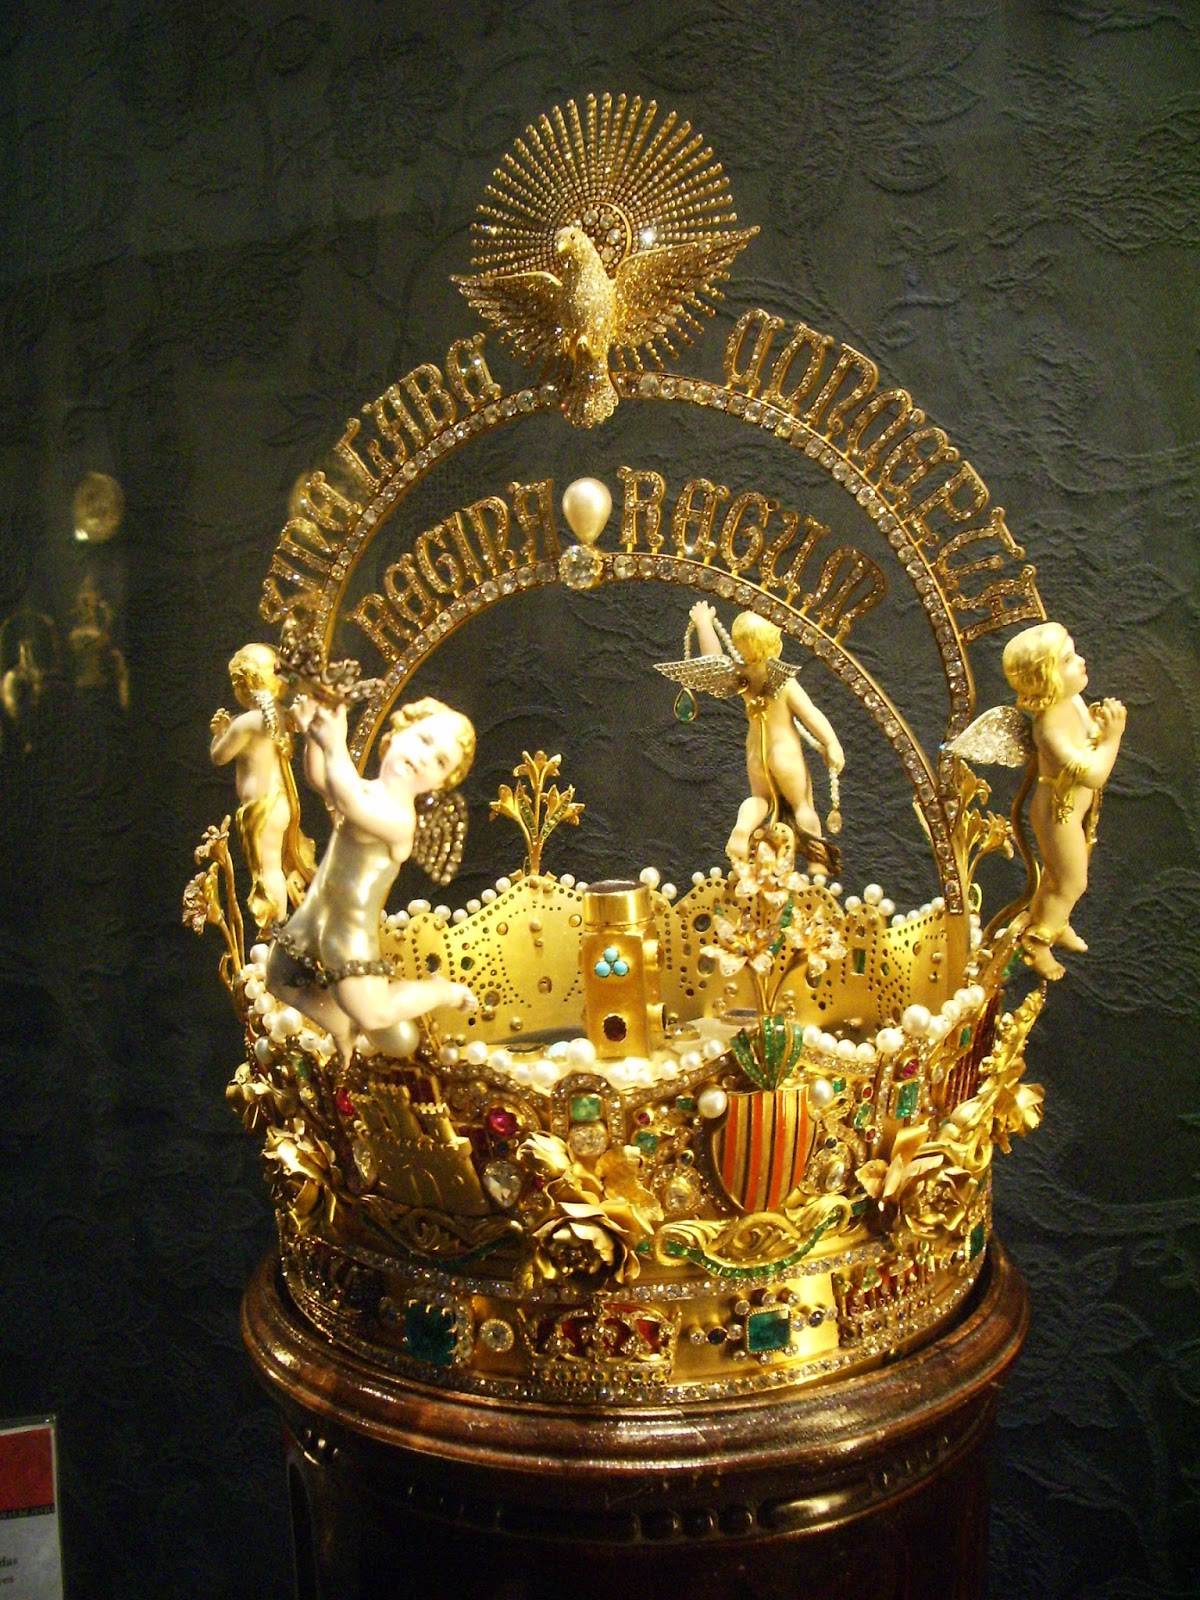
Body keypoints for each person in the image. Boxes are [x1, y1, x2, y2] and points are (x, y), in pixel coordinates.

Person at [265, 694, 477, 1062]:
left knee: (374, 1014)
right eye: (424, 739)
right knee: (278, 979)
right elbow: (321, 777)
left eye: (440, 762)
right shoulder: (361, 786)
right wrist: (314, 732)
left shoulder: (400, 821)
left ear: (440, 784)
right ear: (397, 733)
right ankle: (338, 1023)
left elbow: (348, 801)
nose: (425, 757)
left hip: (349, 934)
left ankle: (442, 990)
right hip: (315, 912)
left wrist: (335, 741)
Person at [1002, 622, 1126, 980]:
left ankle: (1053, 922)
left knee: (1058, 877)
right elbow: (1093, 774)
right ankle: (1037, 942)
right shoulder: (1048, 728)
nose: (1082, 661)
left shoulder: (1071, 700)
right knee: (1072, 882)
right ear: (1045, 679)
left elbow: (1086, 741)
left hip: (1074, 810)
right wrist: (1112, 737)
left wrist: (1098, 728)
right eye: (1069, 660)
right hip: (1059, 815)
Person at [689, 602, 845, 867]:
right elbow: (810, 713)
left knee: (759, 798)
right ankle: (817, 865)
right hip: (785, 752)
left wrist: (704, 624)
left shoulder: (743, 677)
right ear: (774, 641)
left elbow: (714, 664)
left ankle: (742, 829)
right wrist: (831, 743)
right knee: (802, 804)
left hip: (755, 752)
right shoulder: (783, 680)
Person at [210, 643, 315, 929]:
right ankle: (281, 927)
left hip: (261, 809)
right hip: (280, 803)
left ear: (244, 685)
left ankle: (276, 929)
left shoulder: (247, 722)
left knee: (267, 871)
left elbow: (219, 756)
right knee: (275, 868)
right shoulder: (277, 715)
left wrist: (219, 733)